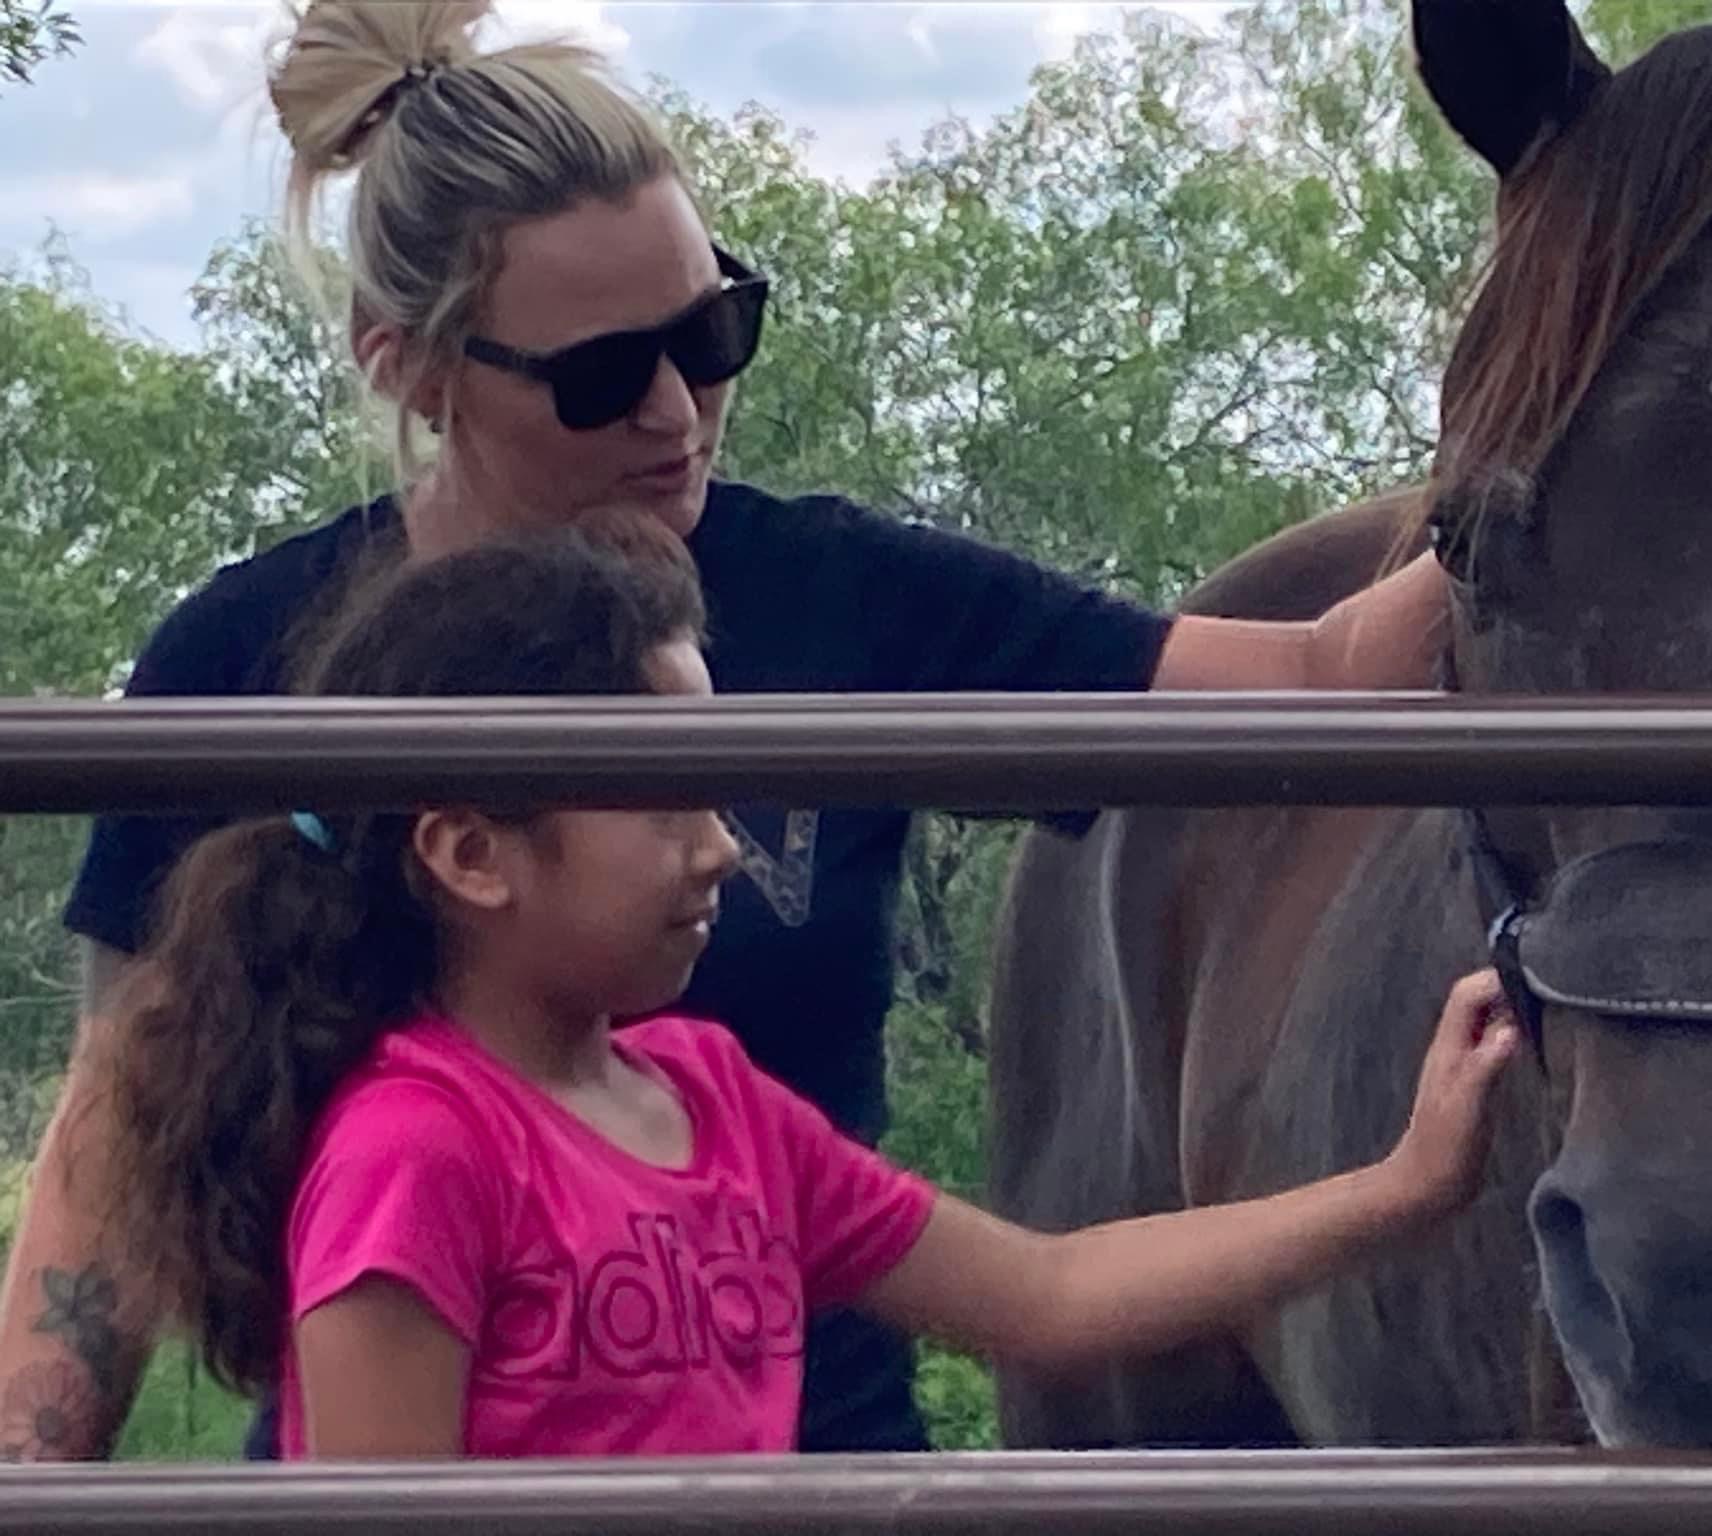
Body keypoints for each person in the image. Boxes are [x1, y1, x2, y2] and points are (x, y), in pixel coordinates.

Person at [0, 0, 1452, 1459]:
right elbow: (124, 1128)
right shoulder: (253, 661)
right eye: (597, 375)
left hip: (820, 1470)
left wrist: (1593, 405)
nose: (677, 410)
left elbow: (1322, 673)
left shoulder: (834, 611)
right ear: (408, 365)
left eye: (712, 332)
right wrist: (36, 1469)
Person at [92, 527, 1515, 1460]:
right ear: (469, 853)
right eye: (663, 803)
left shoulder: (708, 1098)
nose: (721, 843)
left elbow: (1048, 1289)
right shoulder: (417, 1159)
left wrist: (1398, 1185)